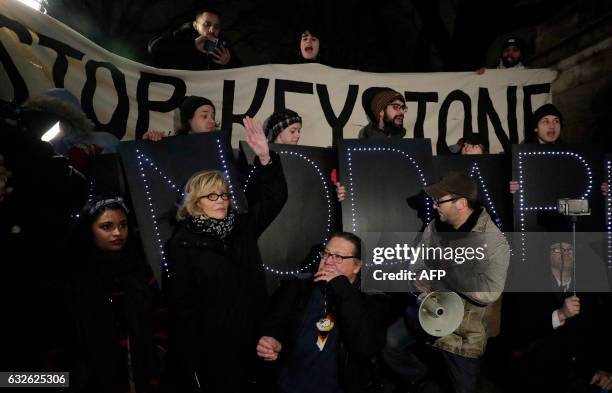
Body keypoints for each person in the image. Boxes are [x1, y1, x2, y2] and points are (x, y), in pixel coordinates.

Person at [164, 116, 287, 392]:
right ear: (195, 202)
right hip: (214, 351)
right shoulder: (181, 244)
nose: (221, 201)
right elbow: (182, 306)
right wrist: (190, 358)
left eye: (224, 195)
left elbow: (274, 199)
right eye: (212, 196)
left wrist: (266, 158)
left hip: (253, 340)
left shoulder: (241, 228)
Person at [383, 172, 510, 393]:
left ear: (461, 203)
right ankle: (423, 381)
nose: (433, 206)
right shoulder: (434, 226)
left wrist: (446, 270)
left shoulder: (493, 240)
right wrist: (418, 281)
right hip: (426, 314)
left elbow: (490, 292)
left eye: (439, 201)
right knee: (390, 345)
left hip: (463, 336)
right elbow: (417, 262)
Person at [256, 232, 389, 393]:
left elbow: (364, 347)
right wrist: (271, 340)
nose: (328, 261)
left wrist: (342, 288)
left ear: (357, 266)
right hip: (289, 384)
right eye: (326, 253)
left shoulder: (371, 300)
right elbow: (274, 323)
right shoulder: (299, 288)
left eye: (338, 257)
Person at [60, 197, 167, 392]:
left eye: (123, 225)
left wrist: (158, 349)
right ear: (89, 230)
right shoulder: (75, 276)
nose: (118, 233)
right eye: (106, 226)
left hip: (142, 371)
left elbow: (159, 311)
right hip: (94, 377)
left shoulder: (138, 269)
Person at [503, 241, 612, 392]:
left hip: (581, 379)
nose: (565, 252)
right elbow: (519, 334)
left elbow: (598, 334)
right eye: (557, 248)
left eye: (569, 249)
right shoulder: (530, 288)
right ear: (547, 254)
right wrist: (560, 315)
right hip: (541, 378)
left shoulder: (588, 290)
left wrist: (601, 369)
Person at [22, 88, 119, 169]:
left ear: (69, 117)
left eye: (53, 117)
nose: (46, 122)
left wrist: (95, 161)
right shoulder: (38, 147)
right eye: (41, 118)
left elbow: (123, 174)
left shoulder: (103, 141)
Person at [148, 9, 241, 70]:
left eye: (216, 26)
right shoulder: (182, 36)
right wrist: (192, 45)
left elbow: (242, 73)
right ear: (195, 25)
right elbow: (154, 48)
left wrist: (228, 63)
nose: (212, 30)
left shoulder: (223, 46)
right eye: (207, 24)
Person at [509, 103, 564, 193]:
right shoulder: (522, 155)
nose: (552, 126)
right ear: (536, 128)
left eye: (556, 121)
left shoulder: (569, 154)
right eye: (545, 121)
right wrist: (513, 189)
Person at [142, 95, 217, 140]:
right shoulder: (173, 146)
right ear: (189, 119)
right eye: (204, 116)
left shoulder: (219, 147)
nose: (212, 121)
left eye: (213, 117)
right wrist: (149, 144)